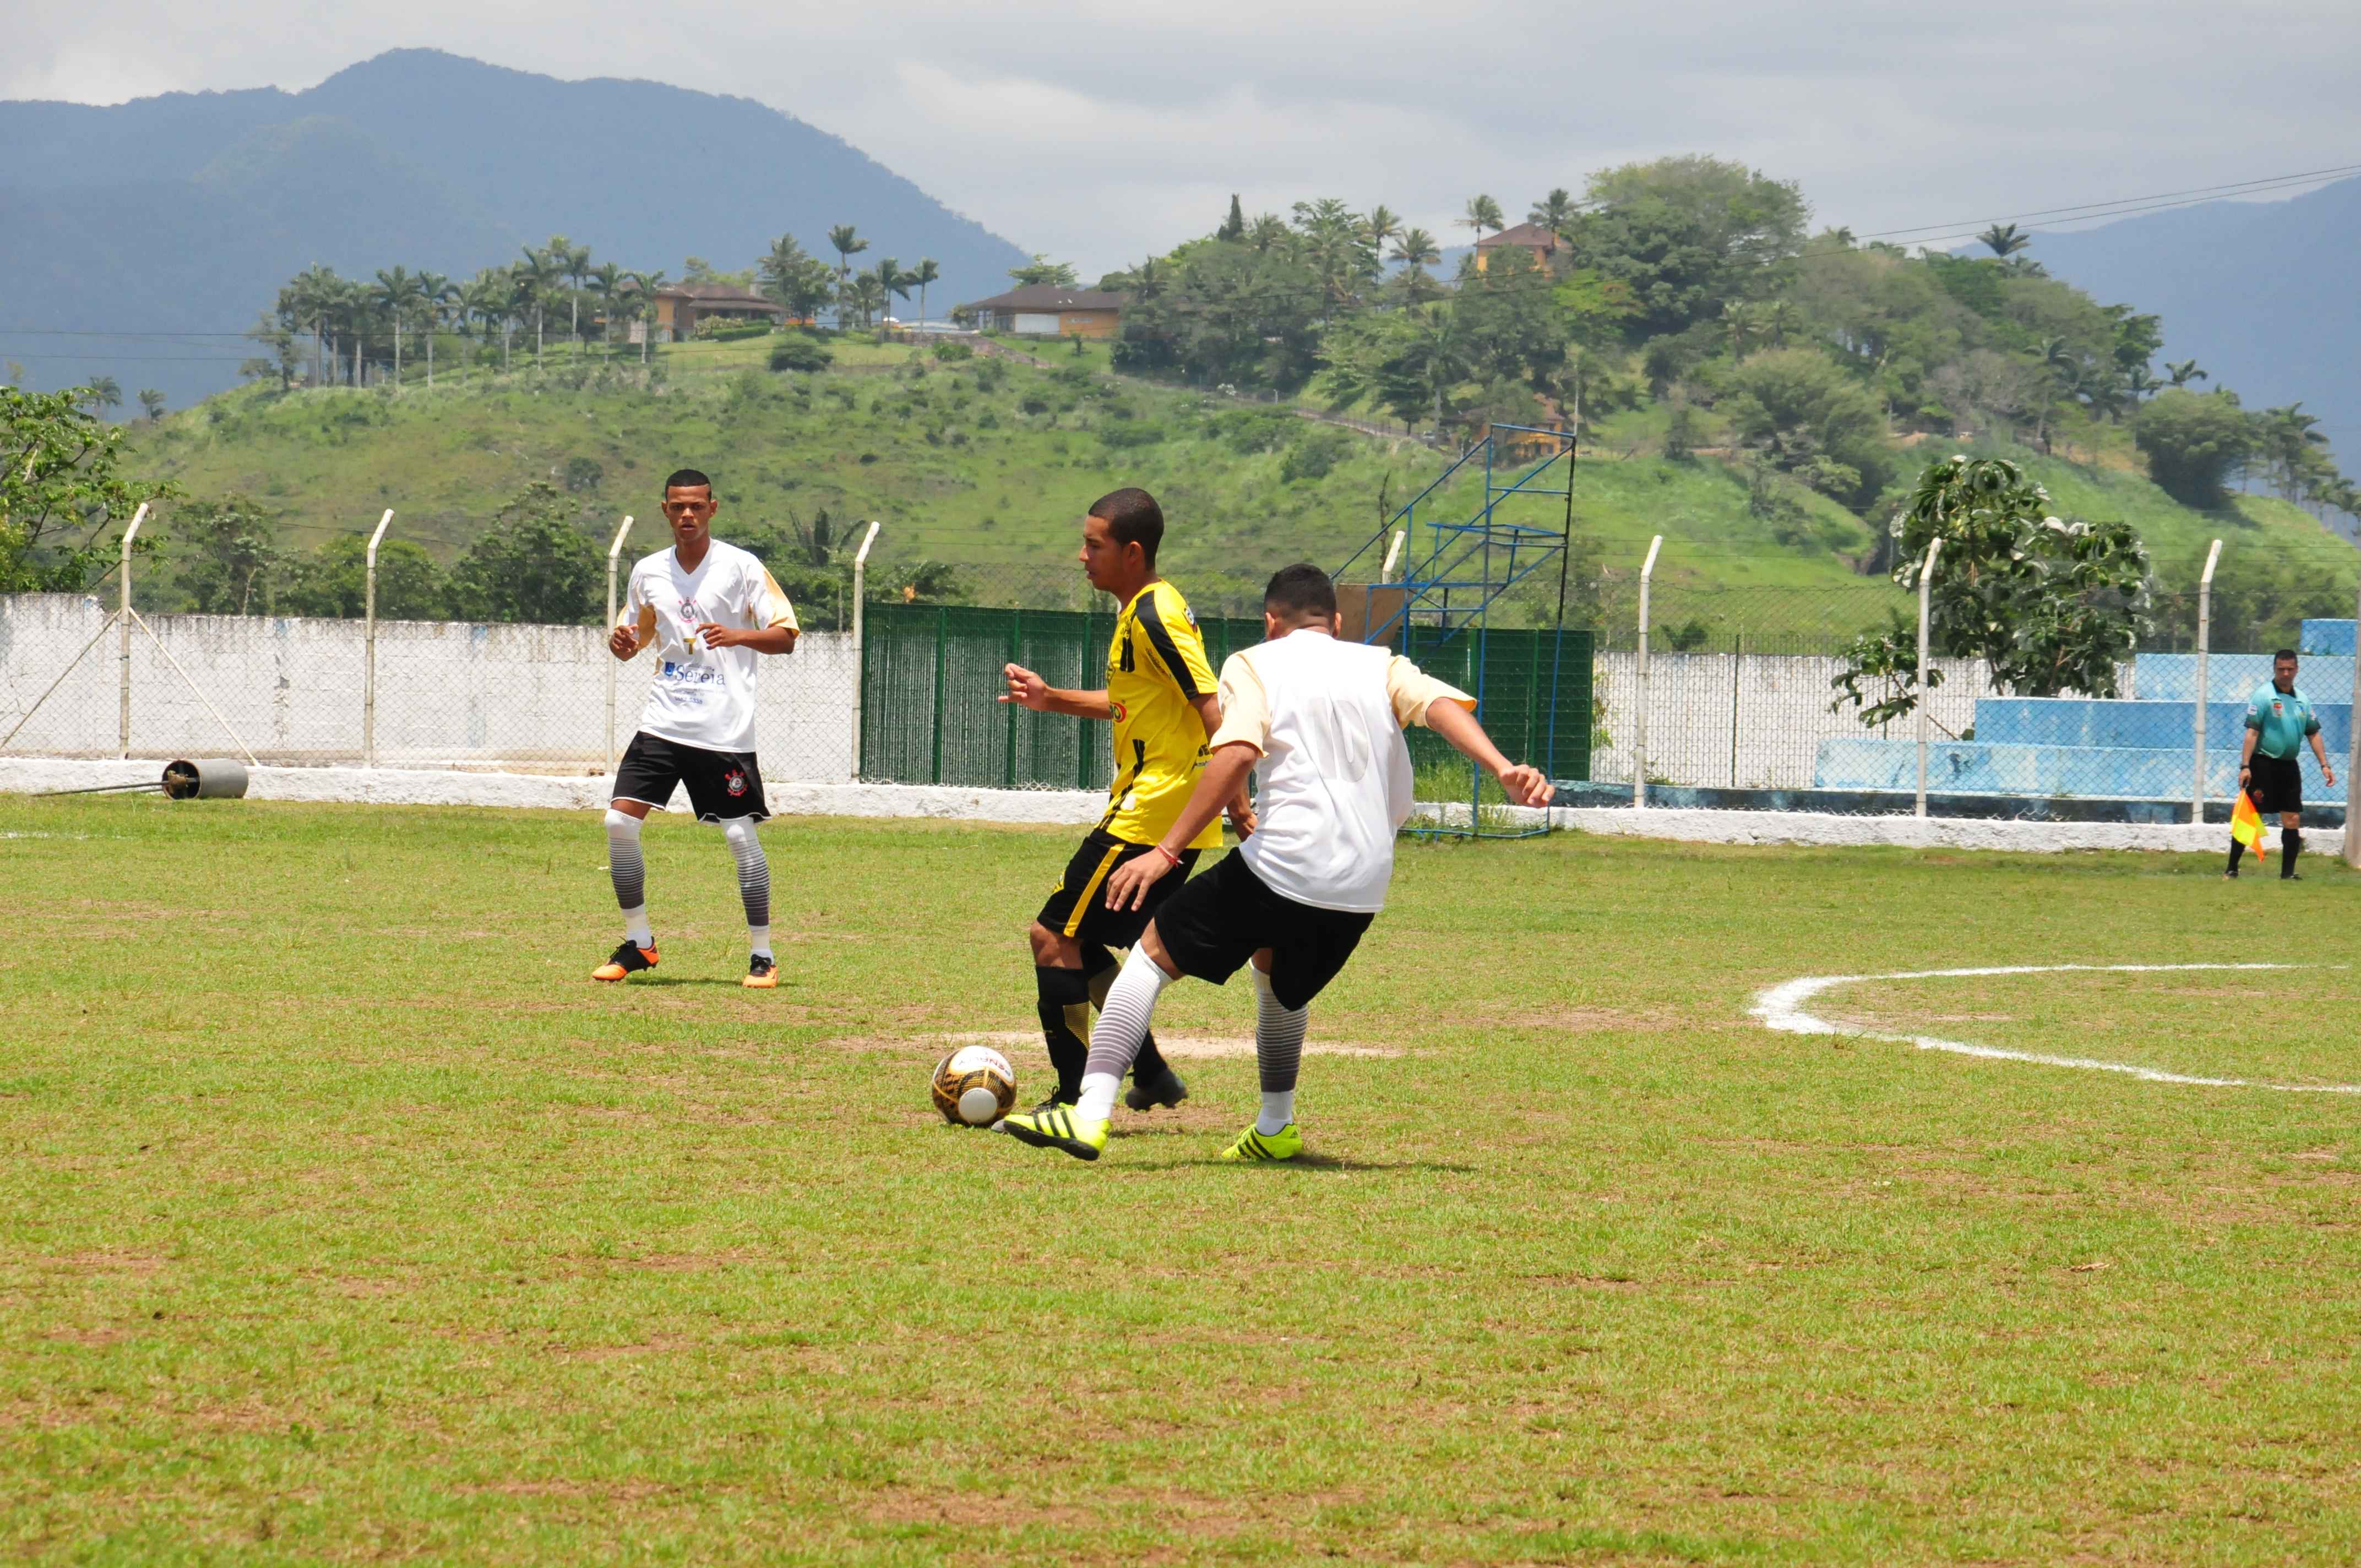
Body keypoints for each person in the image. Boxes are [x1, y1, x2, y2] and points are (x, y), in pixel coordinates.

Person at [998, 562, 1555, 1164]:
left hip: (1286, 861)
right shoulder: (1381, 663)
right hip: (1364, 883)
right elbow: (1440, 705)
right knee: (1276, 977)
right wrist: (1501, 767)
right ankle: (1275, 1125)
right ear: (1337, 622)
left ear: (1270, 621)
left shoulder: (1252, 663)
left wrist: (1164, 852)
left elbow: (1236, 748)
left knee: (1150, 956)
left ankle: (1089, 1113)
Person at [1000, 487, 1253, 1113]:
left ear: (1132, 552)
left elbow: (1211, 708)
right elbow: (1135, 705)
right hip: (1159, 805)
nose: (1081, 556)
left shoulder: (1153, 615)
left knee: (1050, 936)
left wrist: (1239, 803)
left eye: (1094, 545)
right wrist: (1051, 697)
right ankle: (1150, 1071)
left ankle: (1072, 1096)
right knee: (1083, 940)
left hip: (1153, 809)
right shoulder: (1139, 610)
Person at [594, 469, 799, 986]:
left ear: (713, 508)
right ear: (664, 510)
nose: (687, 515)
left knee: (738, 836)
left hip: (723, 732)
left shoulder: (742, 566)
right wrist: (623, 645)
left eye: (696, 506)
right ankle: (640, 944)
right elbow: (636, 635)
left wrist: (737, 635)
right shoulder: (647, 571)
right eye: (677, 507)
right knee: (619, 823)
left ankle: (763, 954)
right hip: (662, 723)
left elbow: (786, 636)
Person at [2228, 647, 2336, 881]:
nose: (2286, 674)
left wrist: (2325, 765)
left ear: (2297, 669)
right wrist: (2245, 766)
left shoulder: (2302, 700)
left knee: (2292, 818)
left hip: (2289, 767)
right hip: (2263, 764)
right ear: (2275, 670)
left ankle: (2287, 874)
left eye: (2290, 669)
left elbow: (2314, 734)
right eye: (2281, 669)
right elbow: (2252, 733)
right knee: (2250, 816)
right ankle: (2232, 868)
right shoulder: (2263, 696)